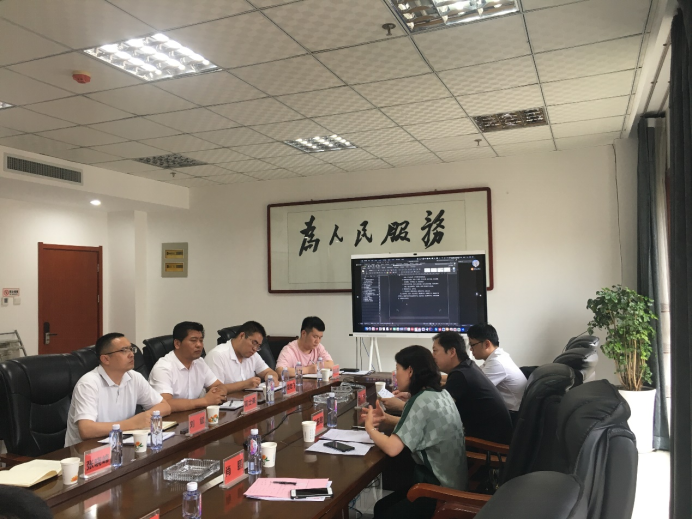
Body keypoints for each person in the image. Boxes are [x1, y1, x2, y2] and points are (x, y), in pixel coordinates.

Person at [363, 345, 467, 518]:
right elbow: (419, 429)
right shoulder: (441, 394)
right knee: (382, 506)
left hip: (440, 491)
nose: (395, 374)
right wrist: (385, 421)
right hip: (452, 482)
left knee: (384, 512)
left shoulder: (420, 401)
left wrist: (370, 428)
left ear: (410, 371)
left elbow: (392, 448)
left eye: (397, 369)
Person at [64, 333, 171, 447]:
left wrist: (145, 418)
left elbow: (164, 406)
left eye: (131, 349)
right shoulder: (88, 384)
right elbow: (86, 430)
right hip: (86, 451)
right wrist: (132, 423)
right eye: (124, 350)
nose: (131, 354)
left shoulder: (134, 377)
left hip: (119, 444)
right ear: (106, 359)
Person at [430, 331, 513, 444]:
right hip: (494, 439)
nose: (432, 356)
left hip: (488, 446)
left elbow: (436, 411)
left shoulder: (460, 375)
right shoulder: (467, 367)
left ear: (451, 352)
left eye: (435, 351)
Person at [149, 322, 227, 412]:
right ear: (177, 344)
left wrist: (219, 392)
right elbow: (165, 403)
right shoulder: (163, 368)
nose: (199, 345)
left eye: (201, 340)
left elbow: (218, 385)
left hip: (193, 415)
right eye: (193, 340)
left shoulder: (199, 362)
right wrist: (205, 401)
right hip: (170, 418)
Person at [467, 324, 528, 415]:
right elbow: (471, 376)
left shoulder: (497, 363)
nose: (471, 349)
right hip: (509, 411)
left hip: (513, 415)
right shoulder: (495, 358)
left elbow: (472, 388)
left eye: (472, 345)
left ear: (487, 344)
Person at [205, 321, 278, 392]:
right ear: (242, 336)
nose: (255, 349)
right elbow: (215, 390)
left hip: (248, 399)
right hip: (226, 400)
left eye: (258, 346)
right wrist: (244, 384)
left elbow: (269, 372)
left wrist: (271, 378)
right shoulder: (217, 355)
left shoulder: (253, 355)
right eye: (254, 343)